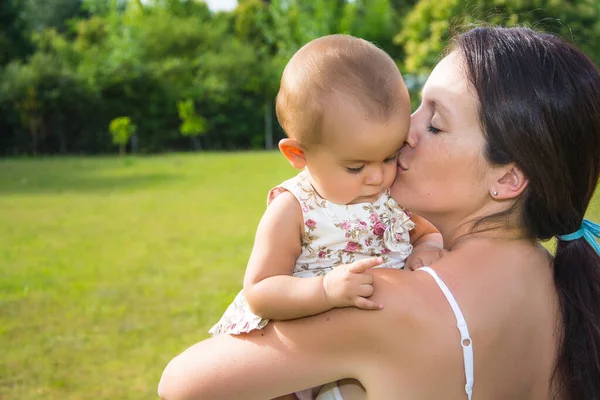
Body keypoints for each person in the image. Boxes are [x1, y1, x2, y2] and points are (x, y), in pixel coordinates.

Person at [158, 26, 600, 400]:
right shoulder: (568, 282)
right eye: (416, 104)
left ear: (507, 180)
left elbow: (182, 384)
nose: (404, 129)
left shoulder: (380, 296)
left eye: (435, 123)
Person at [209, 34, 443, 400]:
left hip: (366, 351)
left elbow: (427, 233)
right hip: (291, 348)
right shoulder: (294, 207)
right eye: (355, 166)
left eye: (389, 156)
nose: (377, 176)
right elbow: (260, 290)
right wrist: (325, 290)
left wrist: (428, 248)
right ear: (298, 155)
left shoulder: (393, 195)